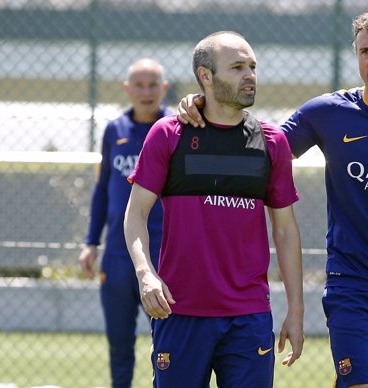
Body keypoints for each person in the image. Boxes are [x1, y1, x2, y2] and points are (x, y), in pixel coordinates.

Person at [178, 6, 368, 388]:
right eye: (365, 51)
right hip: (351, 287)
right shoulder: (328, 112)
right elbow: (258, 149)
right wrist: (207, 103)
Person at [123, 31, 304, 388]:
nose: (250, 75)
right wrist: (146, 274)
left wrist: (296, 311)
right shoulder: (168, 134)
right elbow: (135, 215)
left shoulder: (272, 142)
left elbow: (284, 230)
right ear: (206, 76)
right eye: (237, 67)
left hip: (249, 315)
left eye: (252, 66)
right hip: (181, 311)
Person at [78, 57, 171, 388]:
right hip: (118, 255)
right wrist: (91, 242)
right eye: (139, 86)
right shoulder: (114, 130)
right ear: (127, 89)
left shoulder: (176, 129)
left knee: (167, 346)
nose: (146, 93)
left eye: (152, 86)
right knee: (119, 343)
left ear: (164, 89)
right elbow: (103, 189)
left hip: (163, 255)